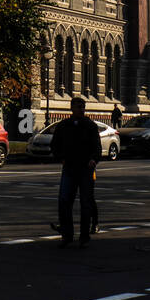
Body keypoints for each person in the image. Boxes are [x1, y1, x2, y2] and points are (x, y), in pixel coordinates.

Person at [50, 96, 102, 246]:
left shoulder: (90, 125)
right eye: (78, 107)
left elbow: (97, 147)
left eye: (83, 107)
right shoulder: (64, 125)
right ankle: (67, 234)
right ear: (71, 108)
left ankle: (84, 236)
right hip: (70, 168)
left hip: (86, 168)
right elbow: (55, 145)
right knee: (65, 201)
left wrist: (94, 159)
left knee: (86, 202)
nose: (81, 110)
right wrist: (61, 158)